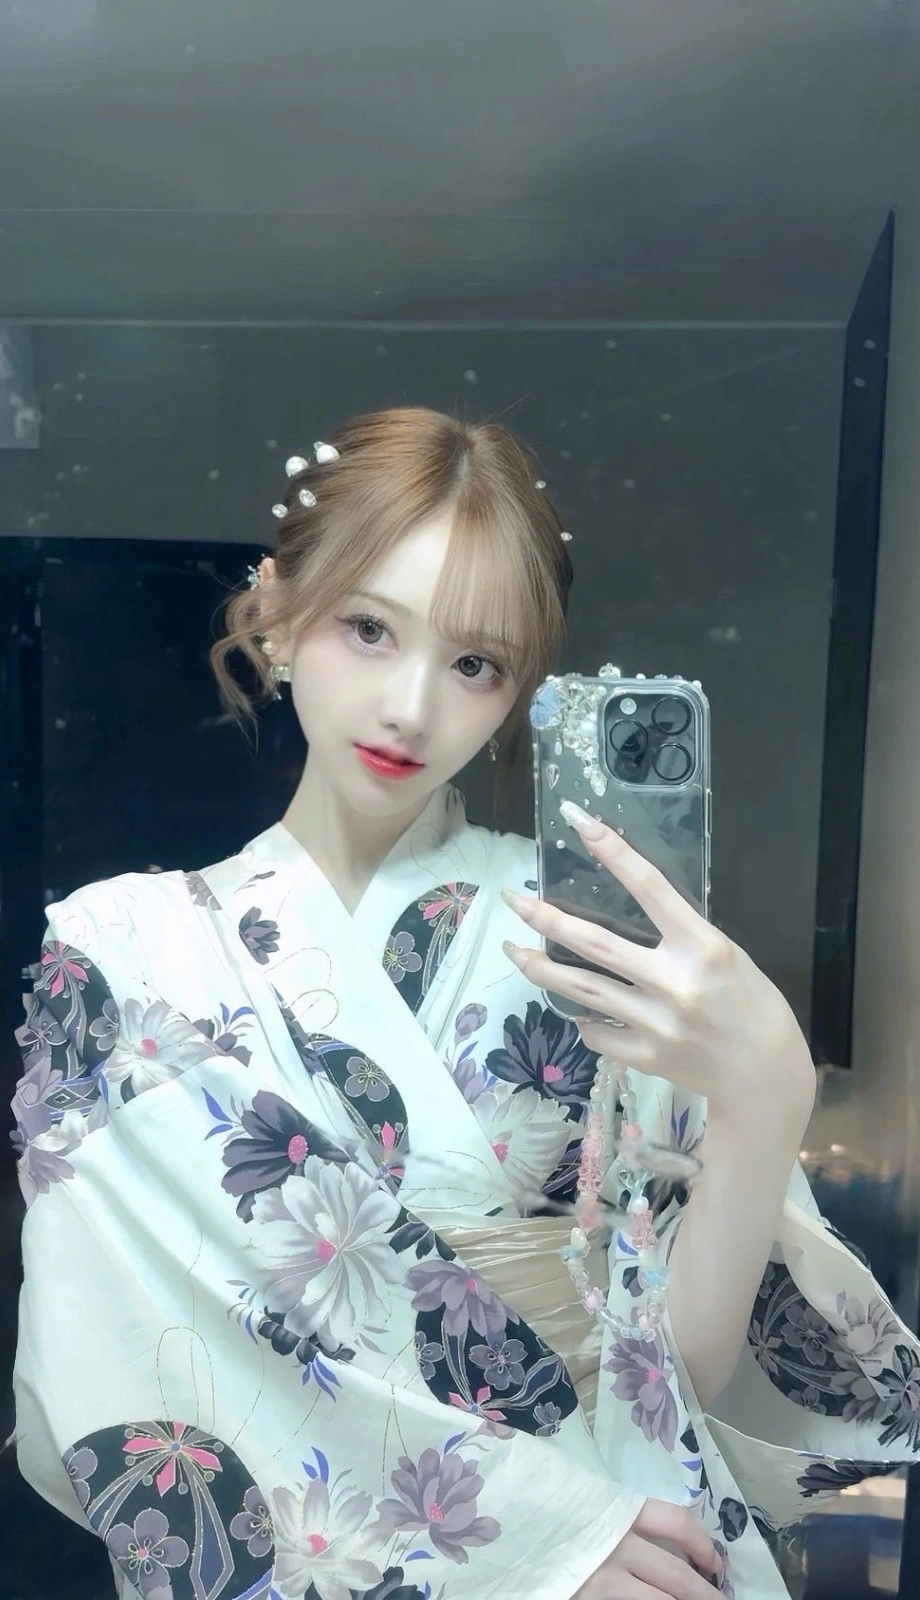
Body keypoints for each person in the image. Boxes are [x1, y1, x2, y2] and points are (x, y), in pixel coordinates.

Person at [10, 406, 919, 1600]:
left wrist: (765, 1100)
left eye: (474, 663)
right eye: (368, 628)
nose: (410, 706)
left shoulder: (582, 940)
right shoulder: (120, 950)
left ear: (519, 691)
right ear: (276, 610)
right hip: (444, 1553)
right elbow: (113, 1350)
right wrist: (537, 1544)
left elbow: (675, 1373)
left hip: (626, 1527)